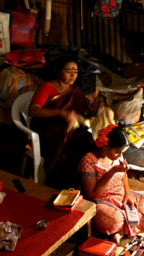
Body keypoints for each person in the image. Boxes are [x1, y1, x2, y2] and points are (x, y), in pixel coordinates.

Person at [78, 124, 144, 244]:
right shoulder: (88, 161)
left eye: (122, 152)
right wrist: (111, 172)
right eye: (117, 152)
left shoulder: (116, 157)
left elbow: (124, 175)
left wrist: (128, 194)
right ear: (105, 146)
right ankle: (123, 228)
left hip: (121, 196)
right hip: (103, 202)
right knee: (114, 221)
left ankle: (122, 231)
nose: (120, 156)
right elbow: (92, 196)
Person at [29, 55, 96, 187]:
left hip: (69, 128)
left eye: (75, 72)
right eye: (68, 72)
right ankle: (59, 185)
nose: (73, 76)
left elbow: (84, 110)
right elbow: (34, 111)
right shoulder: (47, 87)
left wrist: (93, 107)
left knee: (87, 141)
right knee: (68, 146)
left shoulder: (75, 90)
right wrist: (60, 113)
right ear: (59, 71)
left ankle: (82, 184)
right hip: (48, 129)